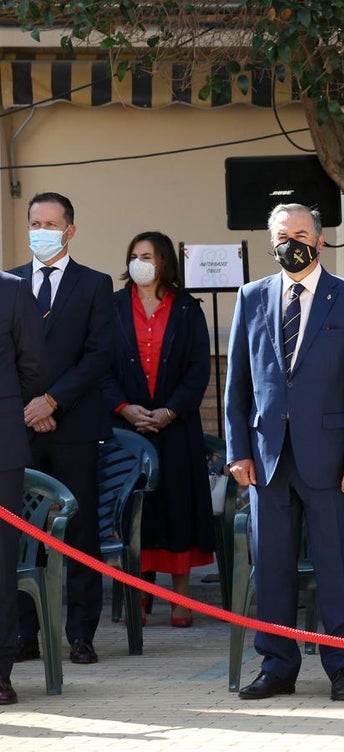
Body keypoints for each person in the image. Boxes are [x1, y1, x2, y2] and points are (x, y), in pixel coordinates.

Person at [225, 203, 344, 701]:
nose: (289, 242)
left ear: (319, 238)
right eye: (280, 234)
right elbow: (238, 385)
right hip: (267, 456)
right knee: (271, 567)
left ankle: (342, 667)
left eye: (299, 233)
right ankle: (277, 666)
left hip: (333, 458)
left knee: (335, 564)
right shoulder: (251, 297)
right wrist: (237, 451)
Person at [9, 192, 114, 666]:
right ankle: (24, 634)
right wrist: (29, 406)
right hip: (20, 429)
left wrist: (51, 400)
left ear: (70, 230)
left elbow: (98, 356)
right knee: (23, 533)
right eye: (35, 222)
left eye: (51, 223)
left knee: (80, 531)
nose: (42, 230)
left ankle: (80, 634)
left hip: (74, 426)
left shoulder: (95, 284)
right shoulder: (10, 283)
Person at [102, 231, 214, 628]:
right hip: (127, 430)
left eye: (147, 255)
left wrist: (169, 411)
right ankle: (141, 597)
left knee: (177, 509)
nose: (139, 262)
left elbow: (199, 368)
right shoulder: (112, 307)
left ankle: (181, 598)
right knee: (136, 511)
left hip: (176, 428)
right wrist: (125, 408)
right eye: (134, 255)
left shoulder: (187, 308)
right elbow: (102, 365)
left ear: (164, 261)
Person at [0, 271, 46, 706]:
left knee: (0, 566)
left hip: (2, 449)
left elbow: (33, 368)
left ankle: (1, 670)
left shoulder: (12, 289)